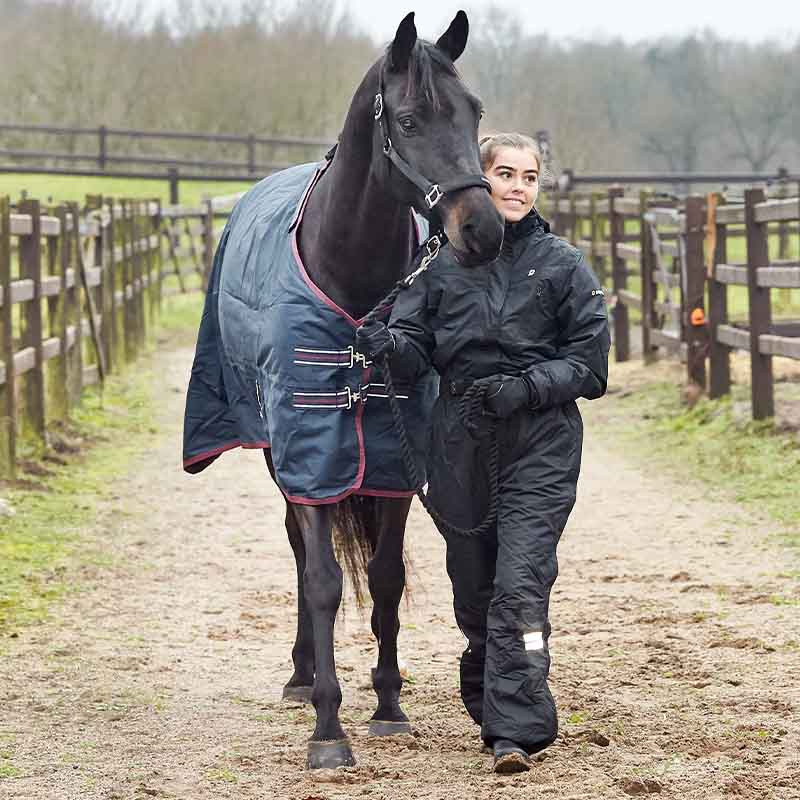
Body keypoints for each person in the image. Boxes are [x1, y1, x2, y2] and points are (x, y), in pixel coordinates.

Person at [356, 132, 610, 773]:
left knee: (520, 584)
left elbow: (590, 364)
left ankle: (516, 729)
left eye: (530, 177)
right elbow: (415, 350)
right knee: (474, 589)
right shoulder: (437, 266)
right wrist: (389, 345)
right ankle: (489, 686)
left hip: (539, 443)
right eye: (506, 174)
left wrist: (527, 387)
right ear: (480, 177)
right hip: (460, 440)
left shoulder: (562, 265)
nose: (519, 187)